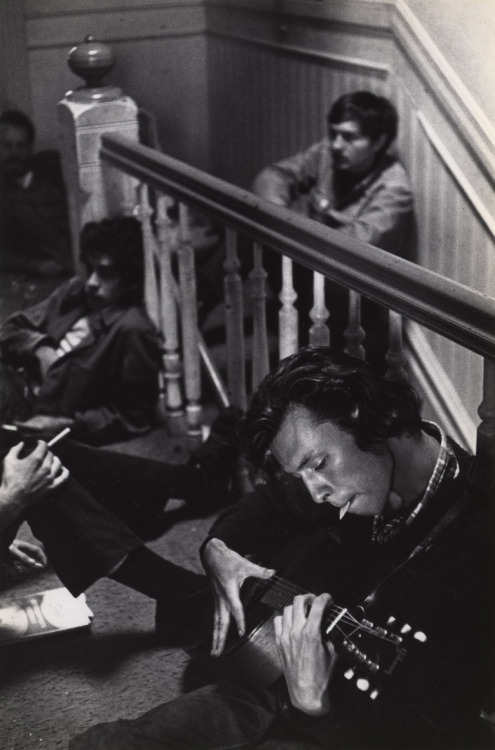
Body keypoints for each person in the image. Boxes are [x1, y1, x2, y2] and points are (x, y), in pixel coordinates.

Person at [70, 347, 493, 750]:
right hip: (276, 655)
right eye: (301, 472)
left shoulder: (476, 543)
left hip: (333, 719)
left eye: (317, 464)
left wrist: (317, 709)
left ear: (363, 418)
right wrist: (218, 547)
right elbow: (268, 504)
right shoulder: (354, 470)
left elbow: (435, 733)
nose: (315, 491)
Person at [253, 91, 415, 358]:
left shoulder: (394, 190)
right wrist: (279, 216)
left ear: (379, 142)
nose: (338, 144)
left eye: (350, 137)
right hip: (309, 264)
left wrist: (293, 233)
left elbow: (350, 249)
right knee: (250, 226)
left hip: (351, 296)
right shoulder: (329, 152)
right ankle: (199, 298)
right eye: (334, 133)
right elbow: (274, 175)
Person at [0, 215, 162, 445]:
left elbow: (134, 417)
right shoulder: (76, 290)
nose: (92, 282)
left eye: (106, 273)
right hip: (11, 381)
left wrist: (67, 425)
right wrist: (41, 348)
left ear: (130, 280)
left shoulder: (132, 329)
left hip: (34, 412)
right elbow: (10, 328)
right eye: (90, 268)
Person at [0, 109, 72, 278]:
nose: (14, 153)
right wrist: (33, 266)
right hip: (41, 276)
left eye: (21, 146)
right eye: (6, 145)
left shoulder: (53, 169)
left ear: (30, 148)